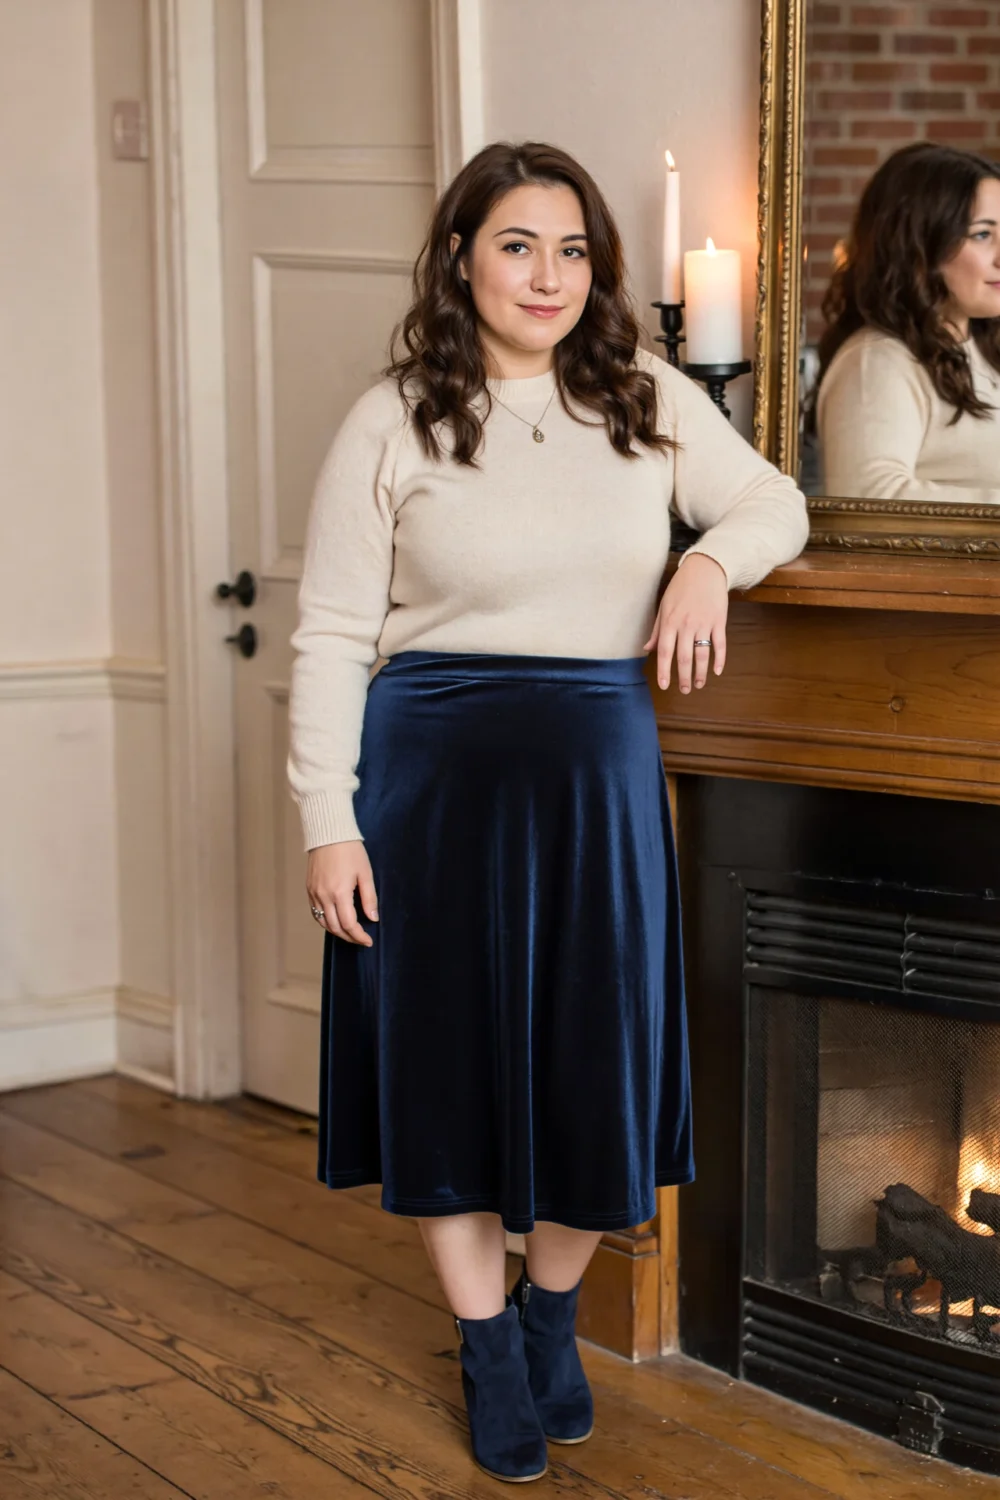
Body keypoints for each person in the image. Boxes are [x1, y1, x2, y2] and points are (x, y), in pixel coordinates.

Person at [287, 140, 808, 1484]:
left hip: (597, 778)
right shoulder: (392, 417)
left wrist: (707, 562)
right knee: (447, 1065)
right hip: (427, 785)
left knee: (600, 1061)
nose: (550, 274)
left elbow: (773, 500)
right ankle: (484, 1344)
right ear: (462, 254)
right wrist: (324, 820)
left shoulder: (644, 399)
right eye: (519, 243)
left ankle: (551, 1313)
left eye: (573, 250)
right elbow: (335, 633)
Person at [815, 142, 1000, 504]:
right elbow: (867, 500)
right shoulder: (877, 361)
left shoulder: (978, 343)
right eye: (982, 234)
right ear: (918, 244)